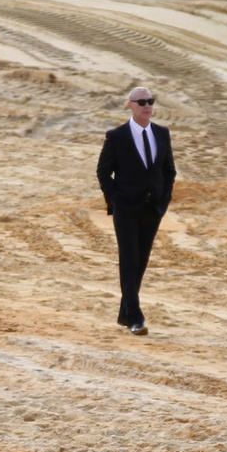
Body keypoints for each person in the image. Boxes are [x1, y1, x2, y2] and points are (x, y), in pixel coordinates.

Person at [95, 85, 174, 335]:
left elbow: (169, 171)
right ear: (129, 105)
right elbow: (103, 172)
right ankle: (135, 318)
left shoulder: (162, 134)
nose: (147, 106)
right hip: (126, 209)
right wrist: (115, 200)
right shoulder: (117, 136)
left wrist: (163, 202)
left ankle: (124, 313)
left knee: (140, 262)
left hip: (153, 209)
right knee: (128, 260)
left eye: (150, 101)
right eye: (141, 102)